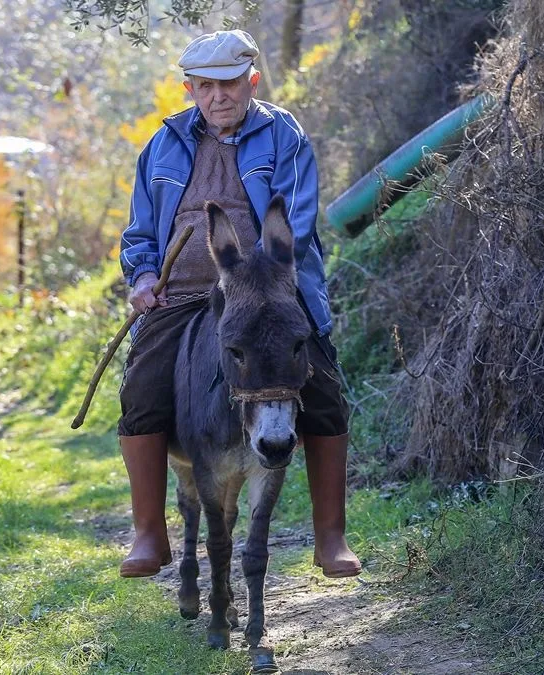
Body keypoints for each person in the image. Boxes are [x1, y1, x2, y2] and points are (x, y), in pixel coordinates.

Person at [115, 29, 361, 579]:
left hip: (267, 292)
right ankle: (149, 533)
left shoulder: (282, 134)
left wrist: (254, 279)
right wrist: (144, 276)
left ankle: (331, 536)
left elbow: (294, 221)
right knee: (142, 391)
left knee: (322, 391)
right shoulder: (162, 145)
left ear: (251, 81)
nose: (217, 97)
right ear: (189, 89)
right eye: (204, 87)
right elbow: (138, 232)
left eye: (228, 84)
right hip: (179, 296)